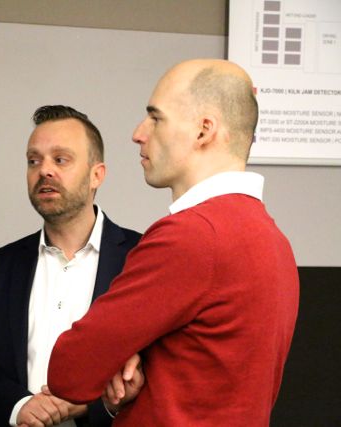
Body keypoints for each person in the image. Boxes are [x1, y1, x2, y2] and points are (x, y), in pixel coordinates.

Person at [47, 59, 300, 426]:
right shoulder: (274, 240)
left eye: (156, 118)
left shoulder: (192, 236)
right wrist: (137, 358)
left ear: (203, 131)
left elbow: (69, 370)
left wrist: (122, 358)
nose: (138, 133)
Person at [0, 105, 143, 426]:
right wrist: (19, 405)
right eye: (33, 161)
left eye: (60, 159)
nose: (44, 171)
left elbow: (164, 370)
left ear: (97, 175)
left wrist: (94, 406)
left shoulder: (141, 257)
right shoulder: (0, 266)